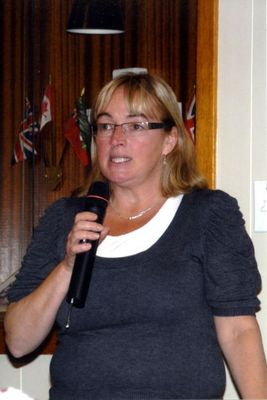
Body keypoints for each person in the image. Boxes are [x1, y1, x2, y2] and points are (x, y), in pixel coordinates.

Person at [4, 73, 267, 400]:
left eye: (136, 125)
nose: (116, 138)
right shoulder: (64, 218)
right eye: (105, 125)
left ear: (169, 141)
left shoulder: (208, 215)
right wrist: (68, 267)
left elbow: (239, 331)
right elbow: (17, 341)